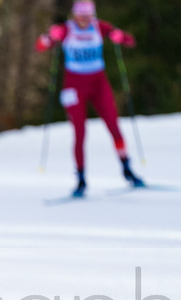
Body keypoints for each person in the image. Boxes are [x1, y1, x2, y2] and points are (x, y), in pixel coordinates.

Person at [36, 0, 144, 197]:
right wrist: (49, 37)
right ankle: (81, 179)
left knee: (113, 125)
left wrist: (121, 38)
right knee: (79, 132)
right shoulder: (66, 30)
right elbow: (41, 46)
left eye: (88, 15)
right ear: (74, 15)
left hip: (98, 84)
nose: (85, 19)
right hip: (74, 87)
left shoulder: (100, 27)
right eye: (81, 15)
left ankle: (127, 168)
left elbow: (129, 40)